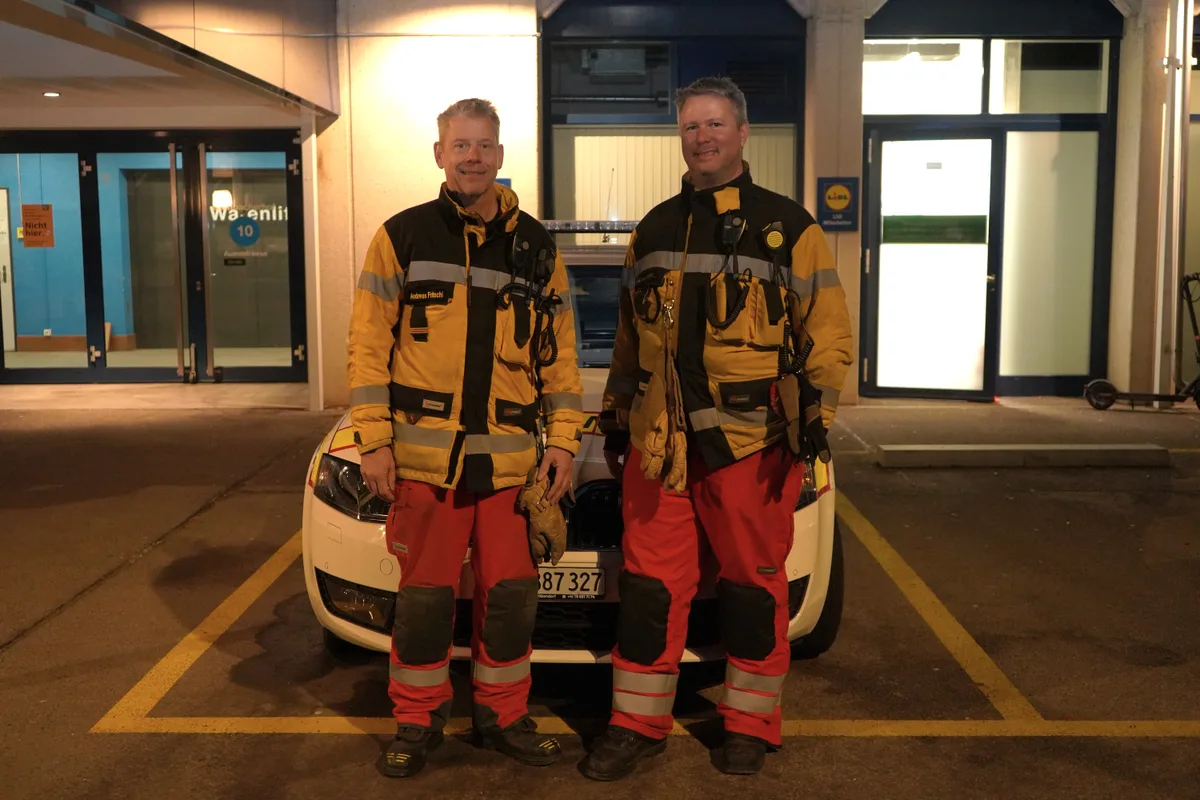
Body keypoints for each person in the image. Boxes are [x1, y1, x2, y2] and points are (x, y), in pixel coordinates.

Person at [579, 77, 854, 780]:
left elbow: (827, 335)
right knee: (647, 590)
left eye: (714, 124)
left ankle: (750, 724)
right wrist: (616, 416)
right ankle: (635, 725)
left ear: (742, 133)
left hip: (752, 444)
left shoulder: (790, 228)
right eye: (690, 126)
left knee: (753, 588)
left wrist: (814, 417)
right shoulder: (654, 228)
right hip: (662, 448)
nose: (701, 137)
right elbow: (630, 346)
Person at [347, 97, 585, 779]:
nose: (472, 157)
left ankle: (503, 715)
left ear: (501, 156)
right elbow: (367, 347)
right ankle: (415, 721)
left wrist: (565, 441)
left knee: (510, 601)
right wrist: (374, 440)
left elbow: (561, 358)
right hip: (426, 464)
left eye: (484, 145)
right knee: (423, 603)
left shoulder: (538, 248)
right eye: (461, 145)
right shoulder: (401, 237)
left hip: (512, 469)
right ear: (440, 154)